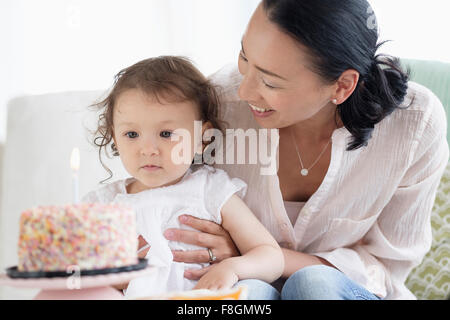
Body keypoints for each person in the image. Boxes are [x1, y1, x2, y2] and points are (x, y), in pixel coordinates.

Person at [164, 0, 450, 300]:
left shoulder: (414, 125)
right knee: (248, 293)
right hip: (244, 283)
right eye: (244, 57)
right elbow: (174, 205)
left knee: (314, 285)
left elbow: (385, 266)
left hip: (345, 291)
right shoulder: (216, 107)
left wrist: (256, 255)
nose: (244, 91)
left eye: (270, 81)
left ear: (342, 86)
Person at [82, 56, 284, 298]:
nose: (148, 149)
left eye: (166, 133)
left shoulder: (210, 189)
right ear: (115, 137)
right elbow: (75, 278)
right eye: (132, 134)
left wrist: (232, 267)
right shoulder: (104, 204)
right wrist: (111, 276)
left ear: (202, 139)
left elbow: (271, 256)